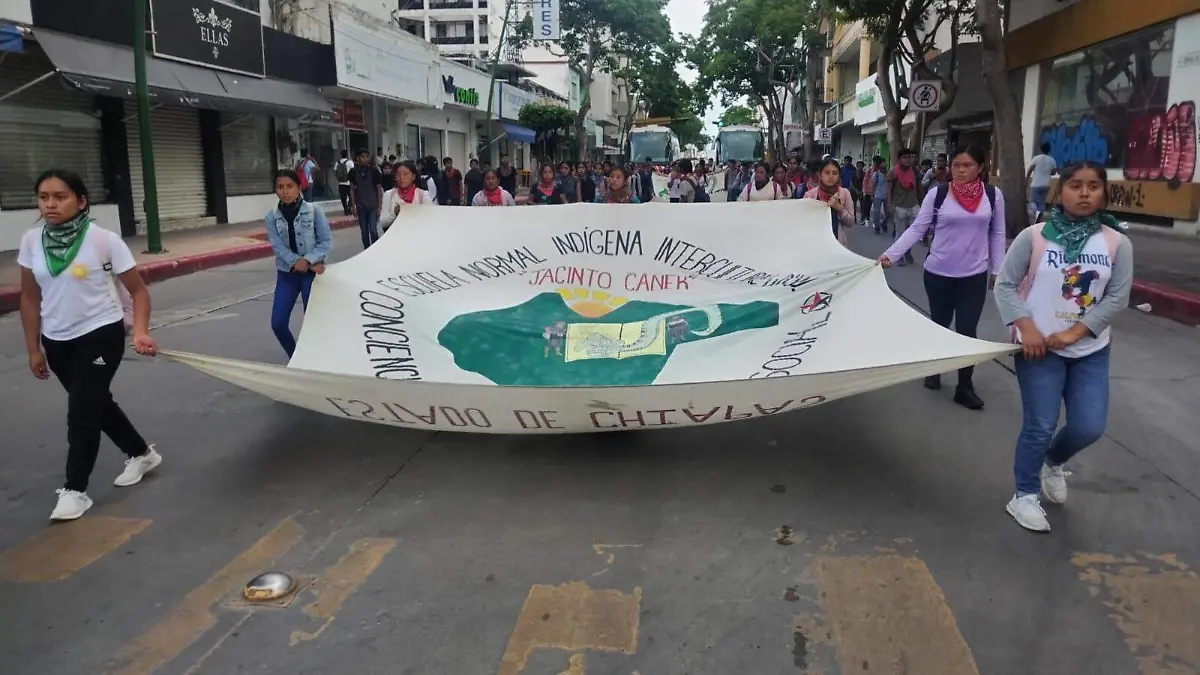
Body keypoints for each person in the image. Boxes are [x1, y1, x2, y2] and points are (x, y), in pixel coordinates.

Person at [993, 161, 1132, 533]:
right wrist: (1026, 328)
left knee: (1089, 426)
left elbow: (1117, 298)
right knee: (1040, 425)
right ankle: (1024, 495)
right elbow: (1005, 285)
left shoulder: (1117, 242)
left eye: (1093, 186)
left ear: (1104, 193)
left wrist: (1075, 334)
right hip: (1038, 350)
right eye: (1075, 185)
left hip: (1090, 350)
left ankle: (1052, 462)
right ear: (1060, 191)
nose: (1084, 193)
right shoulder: (1035, 236)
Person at [18, 169, 160, 521]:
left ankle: (74, 491)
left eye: (60, 197)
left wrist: (140, 331)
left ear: (81, 202)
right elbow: (29, 298)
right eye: (44, 197)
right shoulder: (32, 241)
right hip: (56, 341)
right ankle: (142, 454)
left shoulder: (103, 241)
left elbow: (139, 292)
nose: (50, 204)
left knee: (82, 412)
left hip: (100, 335)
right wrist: (34, 348)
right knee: (96, 403)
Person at [878, 145, 1006, 410]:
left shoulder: (993, 196)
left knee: (968, 331)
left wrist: (998, 269)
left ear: (980, 168)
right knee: (940, 324)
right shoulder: (938, 194)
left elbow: (997, 233)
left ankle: (964, 386)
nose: (960, 170)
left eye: (967, 165)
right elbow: (918, 228)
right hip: (938, 274)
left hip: (973, 275)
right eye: (956, 165)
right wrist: (891, 254)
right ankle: (934, 369)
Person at [265, 169, 332, 359]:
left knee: (313, 323)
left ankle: (318, 361)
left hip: (312, 276)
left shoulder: (314, 211)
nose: (285, 192)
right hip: (287, 275)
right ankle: (296, 358)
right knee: (278, 323)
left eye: (290, 186)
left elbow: (325, 241)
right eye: (280, 187)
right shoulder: (271, 216)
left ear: (299, 187)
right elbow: (277, 246)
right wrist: (298, 262)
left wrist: (308, 260)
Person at [803, 157, 856, 246]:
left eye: (835, 173)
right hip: (815, 244)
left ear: (839, 175)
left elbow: (850, 222)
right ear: (820, 175)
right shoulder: (810, 195)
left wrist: (840, 210)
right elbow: (804, 223)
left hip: (837, 244)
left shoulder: (844, 193)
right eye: (827, 173)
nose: (831, 176)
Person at [887, 148, 924, 266]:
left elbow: (919, 186)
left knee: (914, 233)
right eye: (905, 157)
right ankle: (898, 256)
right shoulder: (893, 172)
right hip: (899, 206)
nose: (908, 160)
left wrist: (922, 201)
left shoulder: (915, 170)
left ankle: (907, 251)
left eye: (909, 157)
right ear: (899, 159)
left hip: (914, 205)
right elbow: (889, 189)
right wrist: (889, 204)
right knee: (900, 233)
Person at [380, 160, 435, 231]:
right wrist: (394, 214)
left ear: (413, 176)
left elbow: (431, 219)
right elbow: (382, 222)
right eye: (398, 174)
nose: (401, 177)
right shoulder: (389, 195)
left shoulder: (423, 195)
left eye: (405, 174)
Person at [348, 148, 382, 249]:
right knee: (364, 232)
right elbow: (352, 189)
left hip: (373, 205)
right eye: (363, 157)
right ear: (357, 158)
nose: (365, 159)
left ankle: (375, 249)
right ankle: (366, 249)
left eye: (367, 157)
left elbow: (378, 189)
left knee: (373, 230)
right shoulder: (353, 172)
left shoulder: (374, 171)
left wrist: (379, 206)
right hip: (361, 206)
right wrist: (353, 205)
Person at [1027, 142, 1058, 214]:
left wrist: (1026, 180)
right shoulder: (1052, 160)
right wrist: (1047, 171)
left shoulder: (1036, 158)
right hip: (1046, 184)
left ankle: (1035, 211)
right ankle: (1040, 215)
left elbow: (1030, 170)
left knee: (1032, 201)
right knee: (1042, 202)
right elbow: (1054, 172)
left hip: (1036, 184)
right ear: (1049, 150)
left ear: (1041, 149)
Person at [870, 156, 889, 234]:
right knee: (876, 213)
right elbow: (873, 185)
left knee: (888, 212)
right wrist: (872, 195)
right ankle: (877, 228)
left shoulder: (889, 174)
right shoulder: (876, 174)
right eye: (882, 163)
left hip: (887, 196)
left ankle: (884, 222)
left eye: (885, 163)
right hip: (878, 196)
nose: (884, 165)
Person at [335, 149, 354, 216]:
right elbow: (353, 170)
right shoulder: (350, 162)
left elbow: (335, 171)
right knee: (351, 196)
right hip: (349, 182)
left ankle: (346, 209)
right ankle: (349, 207)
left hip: (341, 183)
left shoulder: (337, 162)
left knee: (343, 198)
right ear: (347, 155)